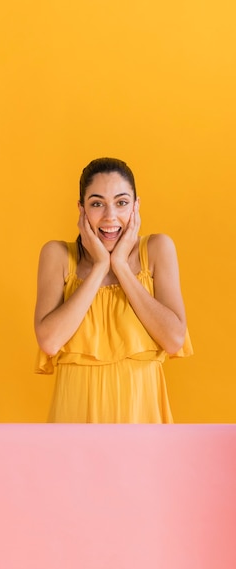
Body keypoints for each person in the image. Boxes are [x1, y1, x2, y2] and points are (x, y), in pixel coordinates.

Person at [34, 157, 192, 423]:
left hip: (141, 421)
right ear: (81, 209)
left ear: (136, 206)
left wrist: (120, 265)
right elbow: (49, 341)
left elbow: (174, 339)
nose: (110, 216)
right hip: (74, 422)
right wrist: (100, 267)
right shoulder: (58, 256)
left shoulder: (157, 250)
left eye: (121, 203)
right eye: (97, 204)